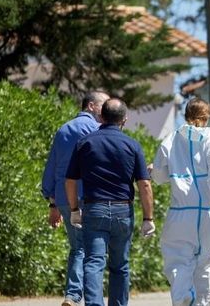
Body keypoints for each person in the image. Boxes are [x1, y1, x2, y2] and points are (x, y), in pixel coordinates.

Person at [65, 98, 155, 306]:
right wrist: (148, 217)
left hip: (94, 209)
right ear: (124, 119)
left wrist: (74, 209)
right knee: (120, 265)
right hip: (123, 210)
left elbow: (70, 180)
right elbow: (144, 184)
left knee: (94, 262)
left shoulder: (85, 143)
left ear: (101, 117)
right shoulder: (132, 145)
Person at [151, 98, 210, 306]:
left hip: (180, 211)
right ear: (207, 116)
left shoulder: (171, 139)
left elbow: (159, 176)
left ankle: (183, 298)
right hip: (208, 211)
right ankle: (201, 303)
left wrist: (155, 171)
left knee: (178, 260)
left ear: (186, 115)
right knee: (205, 262)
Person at [41, 91, 109, 306]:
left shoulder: (63, 129)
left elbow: (52, 166)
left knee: (77, 247)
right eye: (103, 105)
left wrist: (52, 204)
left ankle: (73, 295)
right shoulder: (97, 130)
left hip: (62, 197)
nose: (106, 110)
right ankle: (82, 296)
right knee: (92, 249)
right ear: (91, 106)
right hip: (88, 197)